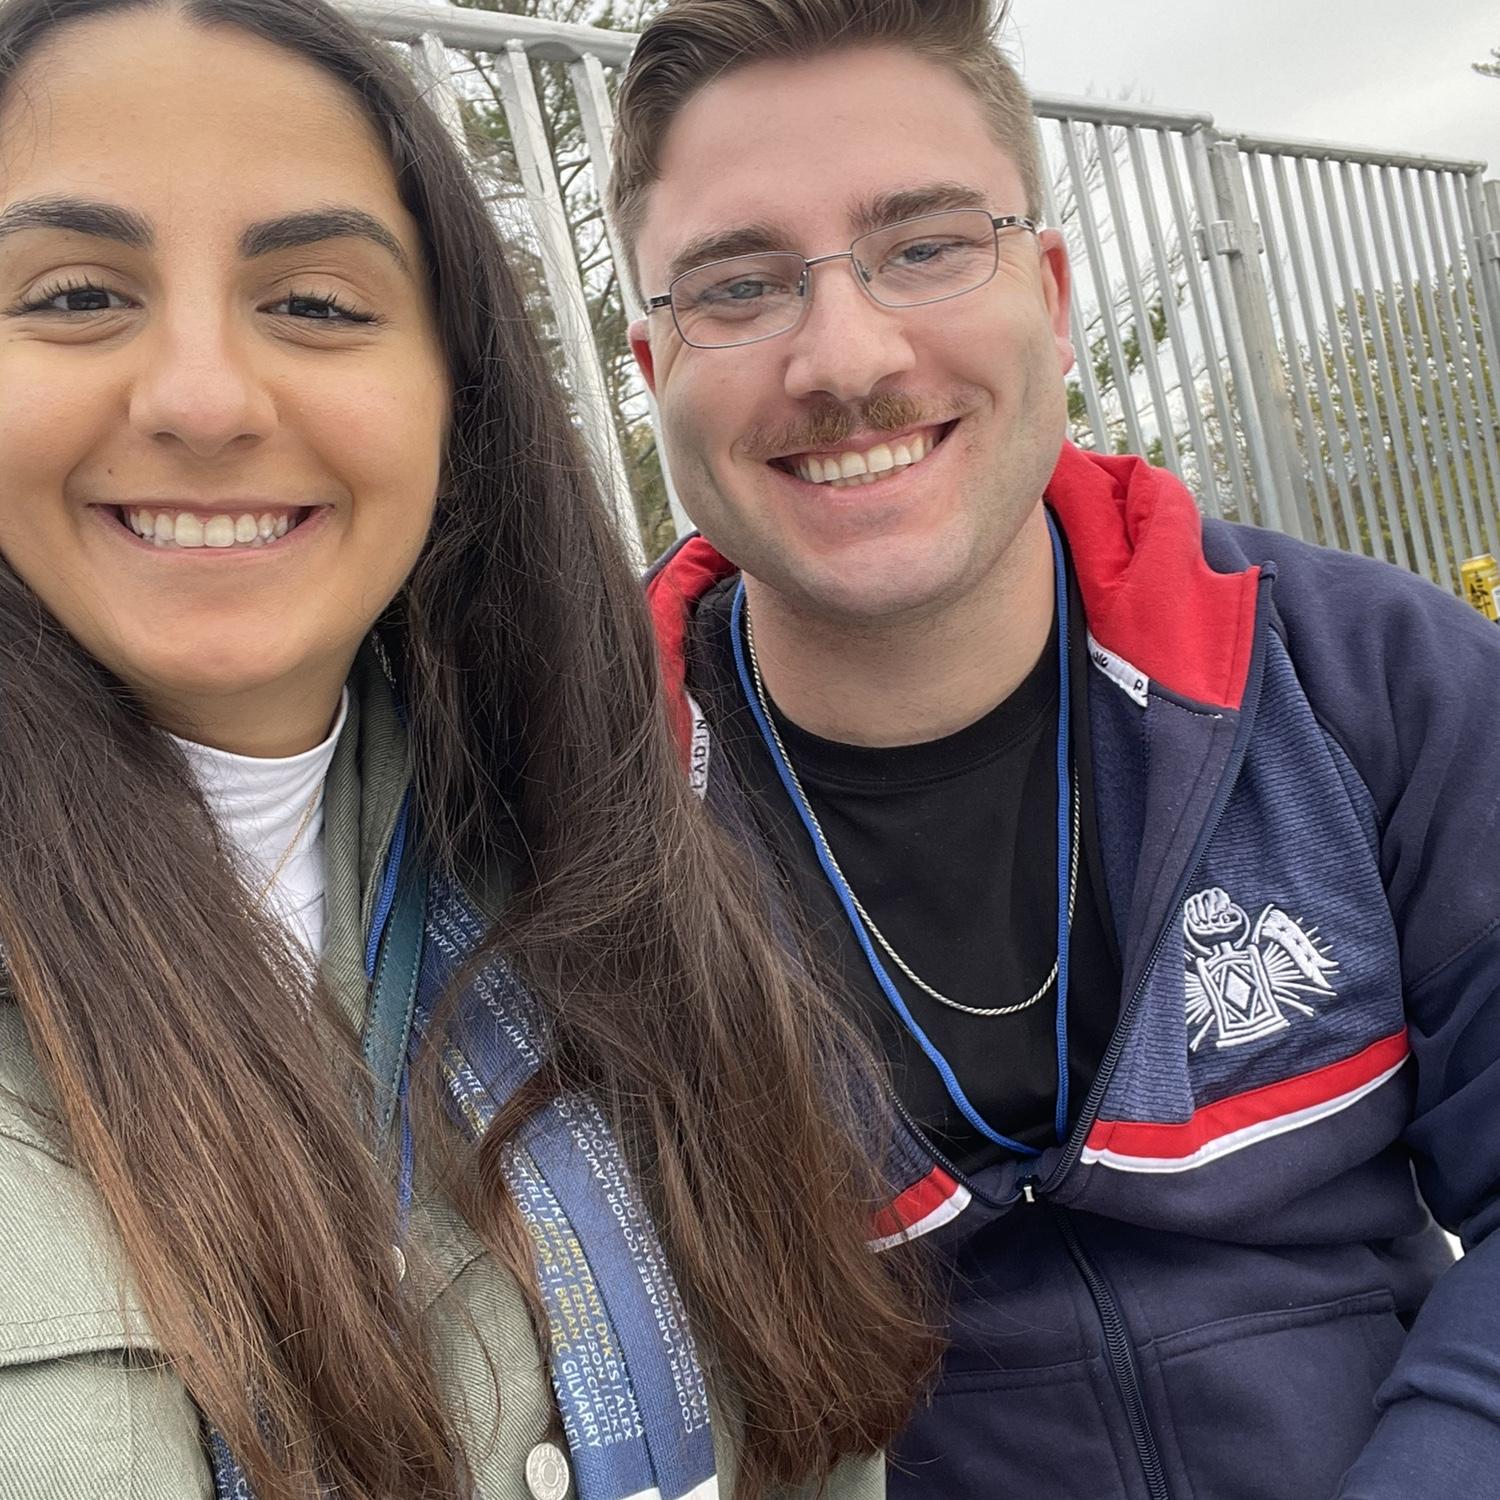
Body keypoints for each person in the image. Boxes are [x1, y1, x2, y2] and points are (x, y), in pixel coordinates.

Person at [0, 1, 938, 1496]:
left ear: (457, 397)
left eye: (311, 303)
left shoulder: (626, 898)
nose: (199, 398)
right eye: (70, 296)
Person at [614, 2, 1500, 1496]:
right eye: (739, 285)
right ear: (651, 369)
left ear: (1054, 292)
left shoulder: (1371, 683)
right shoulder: (577, 826)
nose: (844, 354)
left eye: (925, 245)